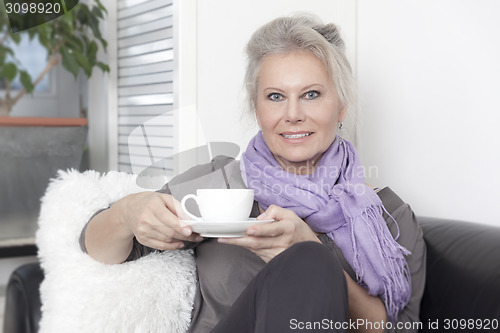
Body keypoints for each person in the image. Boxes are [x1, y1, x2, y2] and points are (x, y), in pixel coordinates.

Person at [81, 14, 426, 333]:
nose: (292, 114)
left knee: (310, 259)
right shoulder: (217, 186)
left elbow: (400, 327)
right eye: (275, 96)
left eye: (311, 94)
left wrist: (305, 245)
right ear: (256, 107)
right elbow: (97, 247)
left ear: (341, 104)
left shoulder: (388, 217)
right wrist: (127, 213)